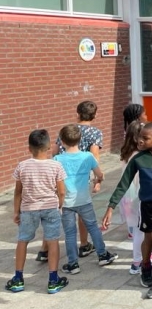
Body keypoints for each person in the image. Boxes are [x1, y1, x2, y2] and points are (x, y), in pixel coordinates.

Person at [101, 122, 152, 299]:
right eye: (140, 136)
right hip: (147, 204)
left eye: (145, 138)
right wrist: (111, 207)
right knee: (149, 237)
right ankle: (145, 266)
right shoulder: (138, 159)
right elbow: (123, 183)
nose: (140, 140)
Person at [6, 129, 68, 294]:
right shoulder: (56, 165)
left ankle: (18, 278)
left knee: (23, 240)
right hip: (50, 208)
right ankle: (53, 280)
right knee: (53, 241)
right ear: (49, 146)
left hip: (29, 209)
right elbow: (62, 191)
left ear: (29, 148)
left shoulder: (22, 166)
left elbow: (18, 191)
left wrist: (16, 211)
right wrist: (59, 205)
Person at [55, 125, 118, 275]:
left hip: (66, 203)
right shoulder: (88, 156)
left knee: (70, 233)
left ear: (62, 141)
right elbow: (99, 174)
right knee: (93, 227)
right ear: (80, 139)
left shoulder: (57, 159)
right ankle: (102, 255)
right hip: (84, 200)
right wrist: (99, 179)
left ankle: (73, 264)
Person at [45, 100, 103, 261]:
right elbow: (95, 155)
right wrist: (97, 181)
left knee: (59, 213)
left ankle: (45, 250)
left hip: (63, 174)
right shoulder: (96, 132)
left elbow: (55, 151)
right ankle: (84, 244)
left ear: (77, 114)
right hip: (84, 172)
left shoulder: (66, 130)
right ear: (95, 115)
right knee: (83, 211)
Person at [119, 120, 152, 275]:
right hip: (138, 198)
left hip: (129, 197)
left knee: (138, 230)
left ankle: (142, 257)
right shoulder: (139, 156)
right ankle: (138, 262)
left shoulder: (126, 153)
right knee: (140, 231)